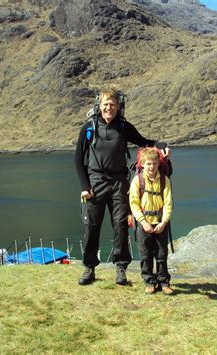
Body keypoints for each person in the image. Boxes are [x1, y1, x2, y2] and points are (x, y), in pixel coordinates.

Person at [74, 88, 169, 286]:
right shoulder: (89, 127)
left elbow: (144, 142)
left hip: (119, 182)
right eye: (105, 104)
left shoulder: (124, 127)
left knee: (120, 226)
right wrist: (85, 186)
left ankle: (121, 268)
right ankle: (89, 268)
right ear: (99, 106)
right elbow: (77, 159)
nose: (109, 108)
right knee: (91, 226)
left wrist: (162, 145)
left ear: (118, 107)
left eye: (112, 104)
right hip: (95, 182)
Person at [129, 148, 173, 295]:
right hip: (144, 224)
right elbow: (134, 203)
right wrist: (143, 222)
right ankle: (149, 282)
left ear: (158, 164)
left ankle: (163, 282)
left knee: (161, 254)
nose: (151, 167)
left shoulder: (164, 180)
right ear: (142, 164)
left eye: (154, 163)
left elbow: (168, 203)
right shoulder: (137, 180)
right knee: (145, 254)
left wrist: (164, 222)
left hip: (160, 222)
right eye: (148, 164)